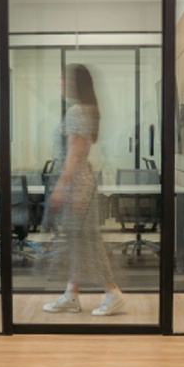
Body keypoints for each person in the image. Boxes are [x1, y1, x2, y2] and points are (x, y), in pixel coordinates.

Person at [43, 64, 127, 317]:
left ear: (74, 83)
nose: (58, 82)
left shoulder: (77, 111)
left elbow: (74, 154)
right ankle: (72, 295)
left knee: (88, 242)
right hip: (79, 184)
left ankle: (113, 292)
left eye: (62, 78)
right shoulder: (83, 110)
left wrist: (61, 187)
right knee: (78, 243)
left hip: (76, 187)